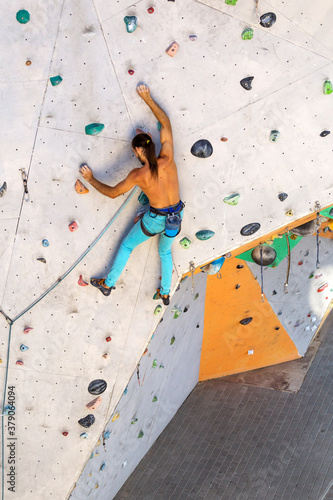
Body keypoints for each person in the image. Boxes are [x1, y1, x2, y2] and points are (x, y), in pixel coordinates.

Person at [79, 84, 184, 305]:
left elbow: (112, 193)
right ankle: (165, 292)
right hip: (176, 217)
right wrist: (147, 97)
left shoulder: (138, 174)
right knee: (165, 253)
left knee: (127, 245)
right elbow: (165, 123)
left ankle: (108, 284)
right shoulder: (168, 157)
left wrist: (91, 179)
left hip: (155, 220)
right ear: (153, 145)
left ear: (137, 151)